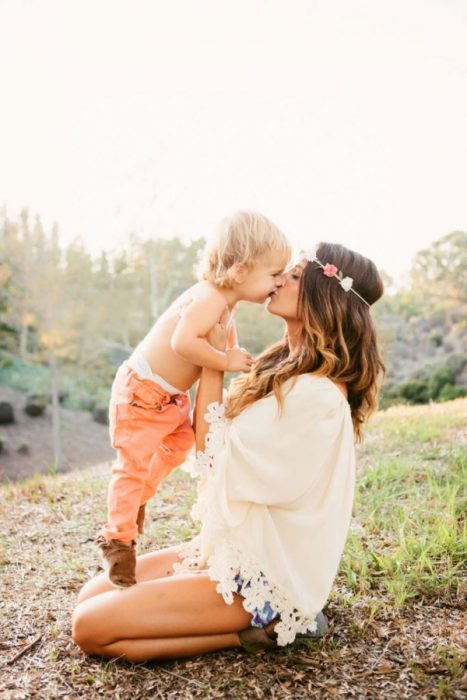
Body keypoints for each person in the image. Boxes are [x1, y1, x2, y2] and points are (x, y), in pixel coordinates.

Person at [73, 242, 384, 661]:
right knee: (92, 594)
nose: (278, 280)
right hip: (231, 550)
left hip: (264, 577)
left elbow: (211, 456)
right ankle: (233, 622)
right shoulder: (286, 364)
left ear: (320, 295)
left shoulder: (317, 395)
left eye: (292, 276)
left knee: (90, 629)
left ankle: (262, 631)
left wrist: (210, 360)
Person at [96, 211, 291, 588]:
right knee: (131, 465)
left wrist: (240, 364)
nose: (278, 281)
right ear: (240, 270)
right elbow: (182, 343)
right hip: (141, 393)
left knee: (179, 446)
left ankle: (136, 498)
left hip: (168, 398)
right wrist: (224, 360)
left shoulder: (227, 305)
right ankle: (117, 539)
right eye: (273, 273)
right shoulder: (209, 298)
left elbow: (219, 350)